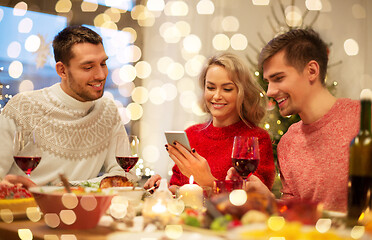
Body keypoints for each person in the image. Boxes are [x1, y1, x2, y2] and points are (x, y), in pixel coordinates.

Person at [227, 28, 360, 212]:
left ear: (311, 71)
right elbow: (294, 213)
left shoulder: (362, 120)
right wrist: (268, 200)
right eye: (268, 82)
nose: (270, 91)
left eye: (278, 78)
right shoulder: (288, 143)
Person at [0, 25, 137, 187]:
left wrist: (66, 188)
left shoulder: (107, 109)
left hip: (83, 210)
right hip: (25, 209)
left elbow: (125, 175)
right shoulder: (23, 106)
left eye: (103, 64)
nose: (101, 75)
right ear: (62, 70)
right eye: (88, 67)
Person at [145, 53, 275, 193]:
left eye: (227, 89)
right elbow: (179, 189)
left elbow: (254, 198)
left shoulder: (256, 139)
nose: (217, 96)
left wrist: (207, 181)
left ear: (242, 93)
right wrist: (163, 189)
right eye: (211, 88)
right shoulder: (191, 134)